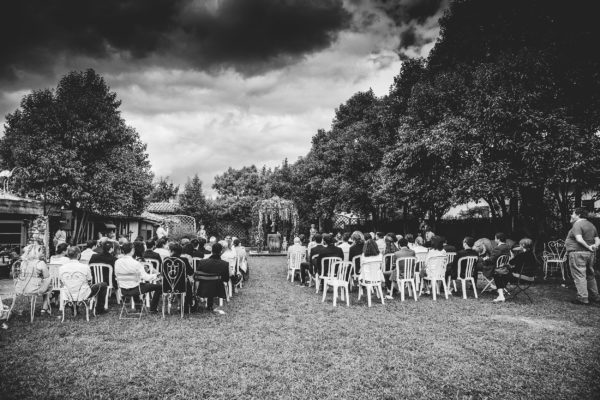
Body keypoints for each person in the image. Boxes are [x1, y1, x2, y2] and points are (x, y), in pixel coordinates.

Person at [565, 207, 600, 305]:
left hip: (577, 253)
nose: (571, 215)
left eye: (573, 213)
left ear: (578, 215)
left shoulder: (577, 224)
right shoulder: (591, 225)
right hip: (589, 255)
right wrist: (594, 246)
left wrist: (588, 247)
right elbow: (598, 239)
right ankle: (595, 296)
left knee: (579, 275)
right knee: (590, 275)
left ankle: (583, 298)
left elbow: (579, 239)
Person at [59, 246, 108, 314]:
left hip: (68, 294)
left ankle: (74, 309)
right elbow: (90, 280)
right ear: (79, 255)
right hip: (83, 294)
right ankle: (100, 309)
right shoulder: (85, 267)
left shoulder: (62, 268)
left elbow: (62, 282)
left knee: (71, 286)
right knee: (103, 285)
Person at [114, 242, 162, 312]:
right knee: (159, 287)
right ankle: (153, 309)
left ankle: (138, 308)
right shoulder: (136, 263)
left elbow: (116, 275)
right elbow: (146, 278)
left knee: (135, 283)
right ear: (132, 250)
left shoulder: (117, 262)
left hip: (123, 290)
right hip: (135, 289)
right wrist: (157, 275)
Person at [492, 238, 537, 302]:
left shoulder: (522, 255)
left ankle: (501, 295)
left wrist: (512, 253)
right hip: (531, 278)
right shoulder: (532, 254)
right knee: (504, 273)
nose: (519, 246)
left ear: (523, 245)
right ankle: (500, 288)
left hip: (521, 277)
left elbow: (511, 262)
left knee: (497, 274)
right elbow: (518, 267)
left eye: (520, 245)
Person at [14, 244, 52, 315]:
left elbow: (22, 275)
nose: (43, 253)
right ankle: (44, 308)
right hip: (35, 289)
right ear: (36, 252)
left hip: (21, 288)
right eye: (41, 251)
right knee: (49, 284)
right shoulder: (40, 263)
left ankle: (24, 306)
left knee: (37, 282)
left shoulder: (23, 262)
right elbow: (46, 276)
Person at [195, 242, 229, 314]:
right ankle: (211, 304)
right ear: (221, 251)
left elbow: (197, 276)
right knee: (216, 281)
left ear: (212, 251)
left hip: (203, 287)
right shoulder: (225, 264)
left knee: (210, 282)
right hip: (218, 288)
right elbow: (226, 279)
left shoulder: (202, 262)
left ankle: (207, 303)